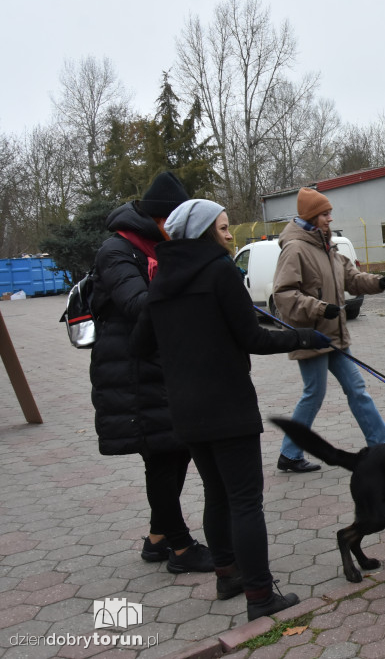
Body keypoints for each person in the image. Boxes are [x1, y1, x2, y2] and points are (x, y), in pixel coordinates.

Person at [132, 199, 331, 620]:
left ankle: (228, 575)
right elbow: (253, 338)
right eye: (223, 227)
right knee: (244, 500)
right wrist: (303, 338)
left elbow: (141, 345)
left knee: (217, 494)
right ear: (205, 232)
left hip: (185, 409)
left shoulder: (162, 276)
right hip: (227, 404)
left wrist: (183, 360)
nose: (229, 234)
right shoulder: (220, 271)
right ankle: (260, 596)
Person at [89, 171, 213, 574]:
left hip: (163, 366)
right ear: (159, 219)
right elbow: (138, 304)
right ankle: (180, 548)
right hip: (130, 370)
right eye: (173, 222)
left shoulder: (159, 246)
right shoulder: (117, 251)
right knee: (161, 457)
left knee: (175, 453)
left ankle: (158, 539)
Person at [271, 187, 385, 472]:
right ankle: (289, 454)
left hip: (335, 335)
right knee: (314, 394)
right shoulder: (295, 248)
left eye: (330, 213)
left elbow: (351, 278)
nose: (330, 218)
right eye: (325, 214)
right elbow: (284, 295)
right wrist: (318, 308)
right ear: (312, 217)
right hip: (312, 336)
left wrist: (378, 282)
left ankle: (380, 444)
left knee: (357, 387)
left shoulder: (327, 245)